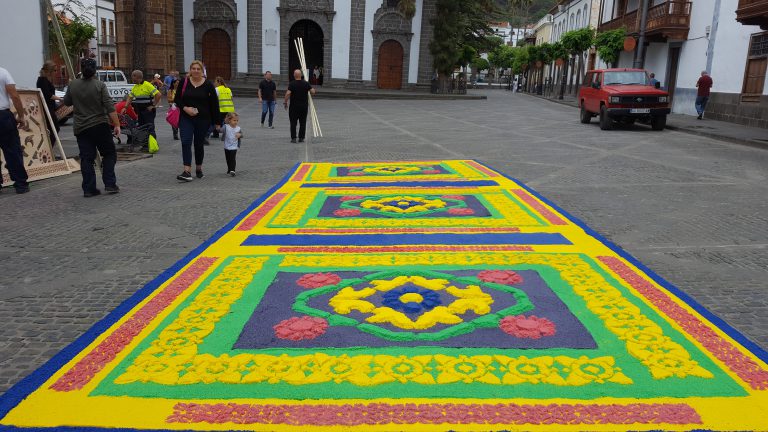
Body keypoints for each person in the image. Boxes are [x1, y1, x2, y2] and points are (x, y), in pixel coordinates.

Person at [63, 60, 121, 197]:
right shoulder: (100, 85)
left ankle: (89, 188)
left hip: (81, 127)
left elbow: (67, 102)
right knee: (109, 153)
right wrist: (117, 124)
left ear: (81, 69)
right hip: (100, 125)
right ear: (95, 70)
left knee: (86, 158)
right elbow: (109, 107)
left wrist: (71, 86)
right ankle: (110, 183)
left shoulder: (73, 85)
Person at [174, 60, 220, 182]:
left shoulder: (208, 85)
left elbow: (214, 104)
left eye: (198, 69)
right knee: (186, 142)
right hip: (186, 118)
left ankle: (198, 168)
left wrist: (217, 122)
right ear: (190, 70)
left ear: (202, 71)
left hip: (203, 119)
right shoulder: (184, 82)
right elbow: (177, 99)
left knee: (198, 144)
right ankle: (187, 171)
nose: (195, 71)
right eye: (193, 68)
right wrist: (185, 108)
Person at [0, 66, 30, 194]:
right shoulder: (3, 72)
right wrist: (21, 116)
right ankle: (20, 184)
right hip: (3, 116)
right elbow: (14, 96)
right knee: (12, 150)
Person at [124, 70, 161, 140]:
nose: (132, 79)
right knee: (142, 127)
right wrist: (125, 107)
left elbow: (158, 94)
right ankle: (145, 144)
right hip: (140, 111)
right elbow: (130, 97)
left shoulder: (147, 85)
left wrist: (153, 105)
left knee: (150, 127)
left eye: (133, 77)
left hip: (148, 111)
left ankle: (152, 144)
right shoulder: (135, 87)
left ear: (137, 77)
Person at [284, 69, 315, 143]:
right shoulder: (306, 83)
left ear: (294, 75)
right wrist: (312, 88)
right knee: (303, 122)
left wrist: (285, 102)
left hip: (294, 107)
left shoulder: (292, 84)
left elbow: (288, 93)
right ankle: (301, 138)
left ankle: (294, 138)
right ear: (301, 75)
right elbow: (313, 92)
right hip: (303, 107)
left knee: (293, 123)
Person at [37, 61, 61, 137]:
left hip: (50, 107)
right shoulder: (42, 80)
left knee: (53, 129)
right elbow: (48, 95)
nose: (56, 72)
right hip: (46, 108)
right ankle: (49, 147)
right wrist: (60, 99)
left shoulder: (46, 80)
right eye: (55, 70)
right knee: (54, 129)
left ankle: (50, 147)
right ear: (49, 71)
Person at [221, 112, 242, 176]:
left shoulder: (238, 128)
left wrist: (240, 135)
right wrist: (218, 128)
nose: (236, 122)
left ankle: (233, 170)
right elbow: (221, 130)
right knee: (228, 159)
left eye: (237, 120)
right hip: (226, 146)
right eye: (234, 120)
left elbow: (242, 134)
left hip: (234, 146)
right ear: (229, 120)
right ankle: (229, 169)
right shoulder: (226, 127)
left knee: (232, 158)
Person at [166, 74, 180, 140]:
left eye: (179, 83)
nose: (178, 84)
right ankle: (175, 133)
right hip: (173, 108)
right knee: (174, 121)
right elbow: (169, 100)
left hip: (180, 107)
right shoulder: (170, 91)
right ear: (173, 83)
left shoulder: (181, 91)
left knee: (180, 121)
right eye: (177, 83)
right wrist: (176, 99)